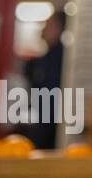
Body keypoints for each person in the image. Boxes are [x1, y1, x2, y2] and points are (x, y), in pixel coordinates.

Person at [24, 9, 66, 151]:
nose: (43, 29)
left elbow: (50, 96)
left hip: (50, 126)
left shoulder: (60, 58)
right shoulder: (44, 59)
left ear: (58, 29)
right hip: (43, 120)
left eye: (48, 24)